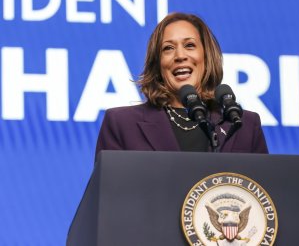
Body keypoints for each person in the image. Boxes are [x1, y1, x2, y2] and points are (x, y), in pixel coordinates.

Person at [95, 12, 268, 161]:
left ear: (206, 57)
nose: (180, 55)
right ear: (158, 63)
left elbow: (263, 195)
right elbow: (110, 195)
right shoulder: (122, 123)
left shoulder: (243, 124)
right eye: (168, 48)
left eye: (189, 45)